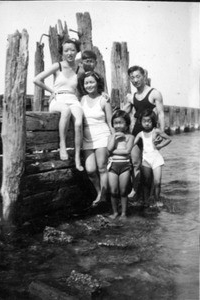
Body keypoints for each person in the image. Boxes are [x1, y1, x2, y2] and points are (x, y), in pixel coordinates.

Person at [33, 38, 84, 171]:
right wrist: (52, 91)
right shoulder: (58, 66)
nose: (70, 53)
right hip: (58, 99)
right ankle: (62, 145)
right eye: (66, 50)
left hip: (73, 98)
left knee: (78, 123)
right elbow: (36, 79)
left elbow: (85, 89)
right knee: (65, 111)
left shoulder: (80, 70)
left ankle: (78, 157)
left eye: (73, 50)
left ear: (77, 52)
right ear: (62, 53)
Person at [123, 65, 165, 198]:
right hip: (137, 133)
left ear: (144, 76)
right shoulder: (131, 96)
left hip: (151, 134)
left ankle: (152, 194)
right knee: (136, 163)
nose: (135, 80)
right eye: (132, 78)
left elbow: (162, 114)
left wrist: (160, 134)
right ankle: (136, 190)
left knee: (151, 164)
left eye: (138, 76)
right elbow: (123, 113)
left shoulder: (154, 93)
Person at [80, 71, 114, 207]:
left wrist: (113, 139)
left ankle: (102, 196)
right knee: (90, 170)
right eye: (86, 82)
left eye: (92, 82)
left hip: (102, 136)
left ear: (97, 83)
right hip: (87, 138)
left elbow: (111, 122)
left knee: (101, 167)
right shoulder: (81, 99)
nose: (89, 85)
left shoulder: (104, 100)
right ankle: (99, 191)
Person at [133, 109, 171, 207]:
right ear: (141, 122)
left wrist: (160, 146)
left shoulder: (156, 131)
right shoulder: (140, 134)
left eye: (149, 121)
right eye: (144, 121)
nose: (146, 123)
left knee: (157, 182)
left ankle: (157, 200)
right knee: (146, 182)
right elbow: (132, 144)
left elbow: (169, 139)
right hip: (146, 159)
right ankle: (146, 201)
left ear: (153, 121)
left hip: (156, 159)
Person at [107, 110, 134, 221]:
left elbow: (127, 151)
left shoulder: (130, 137)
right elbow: (109, 149)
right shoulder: (111, 137)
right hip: (113, 166)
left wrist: (114, 151)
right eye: (115, 123)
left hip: (125, 166)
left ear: (127, 124)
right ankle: (114, 212)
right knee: (113, 191)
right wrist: (114, 137)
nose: (117, 125)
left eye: (120, 123)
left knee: (123, 191)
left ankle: (123, 213)